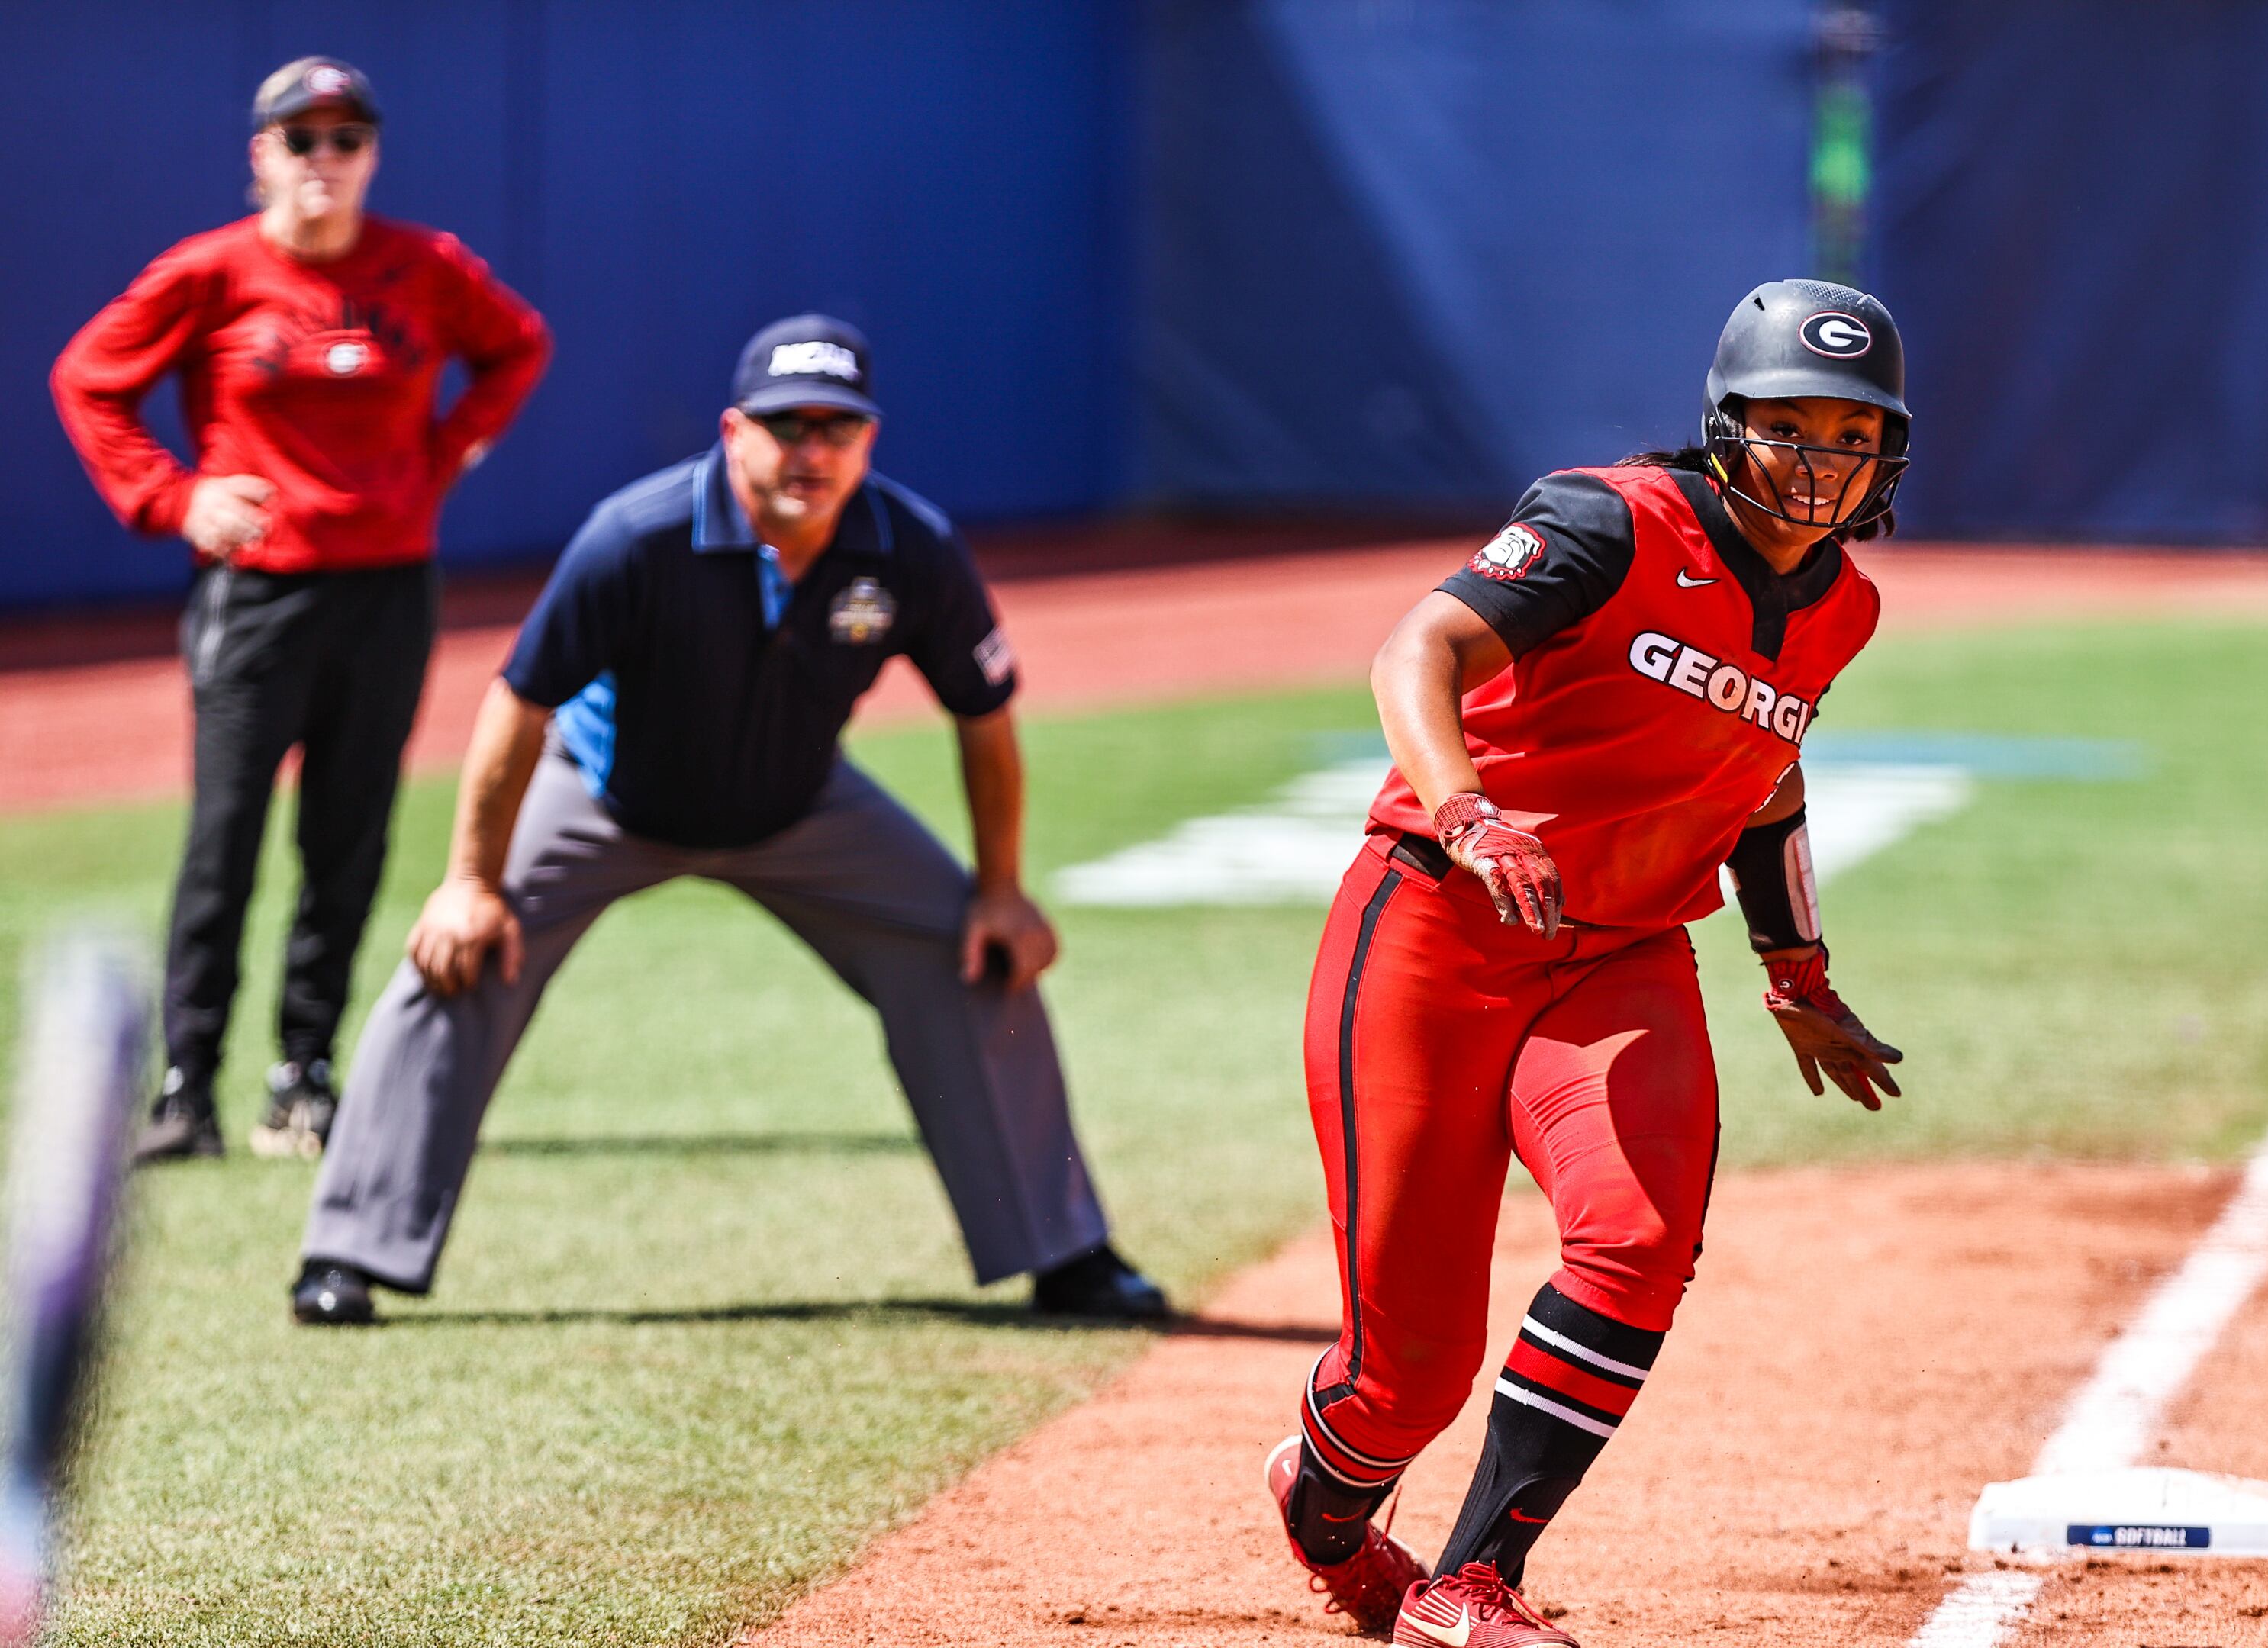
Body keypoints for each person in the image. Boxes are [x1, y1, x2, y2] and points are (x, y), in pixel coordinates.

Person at [285, 316, 1165, 1328]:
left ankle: (1064, 1251)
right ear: (733, 430)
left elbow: (984, 719)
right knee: (459, 954)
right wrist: (472, 882)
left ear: (870, 442)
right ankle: (348, 1252)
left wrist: (1002, 889)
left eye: (838, 429)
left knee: (973, 950)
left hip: (799, 806)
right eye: (788, 427)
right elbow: (518, 704)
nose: (812, 452)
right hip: (609, 796)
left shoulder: (909, 546)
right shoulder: (638, 534)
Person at [1261, 280, 1910, 1644]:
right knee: (1408, 1376)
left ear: (1888, 456)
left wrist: (1798, 975)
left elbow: (1765, 777)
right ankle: (1324, 1508)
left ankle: (1473, 1578)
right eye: (1787, 426)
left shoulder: (1840, 608)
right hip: (1436, 928)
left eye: (1849, 434)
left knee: (1638, 1240)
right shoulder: (1612, 521)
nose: (1818, 462)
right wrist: (1464, 805)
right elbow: (1417, 645)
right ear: (1723, 427)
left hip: (1620, 955)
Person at [50, 57, 553, 1164]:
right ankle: (187, 1090)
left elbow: (517, 347)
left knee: (349, 835)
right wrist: (175, 498)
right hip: (259, 591)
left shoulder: (425, 267)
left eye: (346, 139)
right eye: (301, 138)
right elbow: (88, 379)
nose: (324, 160)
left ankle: (306, 1078)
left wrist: (450, 448)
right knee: (224, 839)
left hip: (387, 585)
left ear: (371, 154)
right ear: (260, 155)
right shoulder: (212, 272)